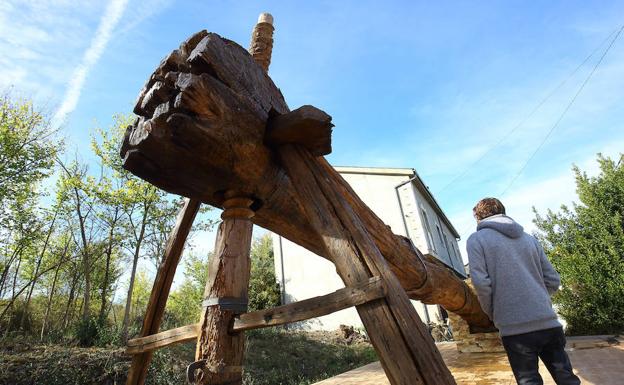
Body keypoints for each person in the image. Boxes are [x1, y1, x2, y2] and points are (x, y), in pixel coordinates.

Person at [466, 197, 580, 385]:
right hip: (548, 323)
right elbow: (553, 280)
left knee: (529, 381)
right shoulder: (530, 239)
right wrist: (539, 299)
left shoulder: (477, 240)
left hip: (515, 328)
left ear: (478, 217)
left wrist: (492, 312)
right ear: (503, 212)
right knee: (567, 378)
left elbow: (481, 283)